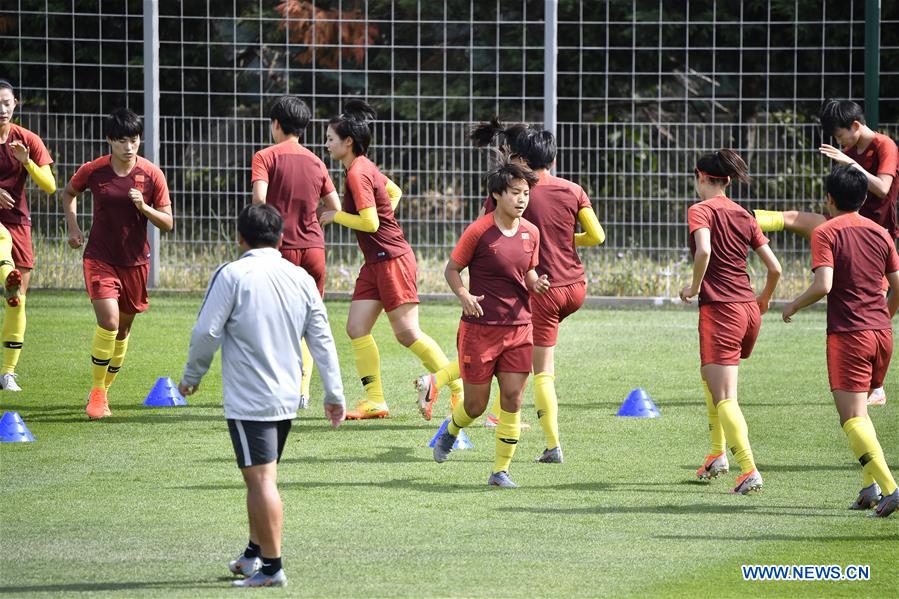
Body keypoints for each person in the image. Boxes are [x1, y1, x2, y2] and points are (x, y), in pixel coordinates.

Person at [417, 118, 605, 463]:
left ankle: (550, 446)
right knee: (504, 371)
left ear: (519, 157)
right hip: (575, 286)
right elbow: (598, 237)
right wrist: (566, 240)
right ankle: (445, 387)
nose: (521, 197)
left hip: (539, 295)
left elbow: (483, 238)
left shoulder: (511, 207)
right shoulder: (572, 189)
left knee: (537, 370)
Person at [180, 203, 346, 587]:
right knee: (262, 476)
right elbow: (321, 338)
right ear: (282, 238)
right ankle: (254, 553)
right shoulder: (300, 276)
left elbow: (207, 332)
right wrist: (333, 392)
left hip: (250, 399)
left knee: (261, 481)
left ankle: (272, 568)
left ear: (240, 239)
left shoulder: (232, 274)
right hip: (287, 396)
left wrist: (192, 376)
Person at [319, 100, 463, 420]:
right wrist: (383, 217)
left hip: (392, 259)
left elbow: (370, 223)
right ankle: (376, 401)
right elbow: (394, 192)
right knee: (356, 328)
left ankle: (457, 390)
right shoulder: (364, 167)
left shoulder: (358, 173)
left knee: (407, 334)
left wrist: (337, 216)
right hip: (376, 262)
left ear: (348, 142)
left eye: (330, 138)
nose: (325, 144)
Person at [754, 100, 897, 405]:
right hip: (849, 227)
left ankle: (877, 384)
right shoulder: (847, 155)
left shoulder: (885, 147)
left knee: (877, 311)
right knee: (800, 219)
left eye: (840, 134)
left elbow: (883, 189)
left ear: (856, 126)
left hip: (878, 238)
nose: (839, 142)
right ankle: (742, 219)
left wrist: (851, 165)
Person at [782, 164, 899, 518]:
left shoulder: (826, 232)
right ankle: (870, 487)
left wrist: (793, 304)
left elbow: (824, 285)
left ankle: (892, 489)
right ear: (864, 197)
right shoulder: (881, 233)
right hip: (882, 335)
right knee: (859, 413)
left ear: (828, 199)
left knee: (851, 420)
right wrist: (884, 317)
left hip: (849, 335)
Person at [431, 155, 549, 488]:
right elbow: (451, 269)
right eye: (514, 192)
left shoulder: (531, 233)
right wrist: (464, 296)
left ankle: (500, 471)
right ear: (497, 194)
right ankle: (451, 430)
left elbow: (527, 271)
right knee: (476, 405)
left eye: (525, 192)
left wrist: (535, 282)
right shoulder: (479, 231)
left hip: (520, 328)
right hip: (480, 330)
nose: (522, 199)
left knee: (513, 398)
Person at [679, 149, 781, 495]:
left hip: (722, 310)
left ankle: (749, 469)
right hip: (747, 309)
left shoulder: (700, 210)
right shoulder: (743, 214)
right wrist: (764, 298)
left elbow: (704, 250)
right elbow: (775, 267)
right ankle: (717, 454)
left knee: (725, 395)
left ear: (702, 178)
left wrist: (693, 288)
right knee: (709, 377)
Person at [61, 108, 173, 419]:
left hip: (135, 262)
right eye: (122, 140)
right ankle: (97, 395)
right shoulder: (94, 170)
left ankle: (103, 391)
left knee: (122, 332)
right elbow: (69, 193)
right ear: (110, 140)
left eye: (134, 140)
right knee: (108, 322)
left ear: (140, 141)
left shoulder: (152, 175)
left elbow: (167, 222)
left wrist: (145, 207)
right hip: (99, 256)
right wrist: (73, 226)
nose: (128, 146)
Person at [251, 95, 341, 409]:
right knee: (308, 321)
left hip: (280, 249)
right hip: (314, 249)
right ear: (303, 127)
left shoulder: (265, 156)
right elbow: (335, 207)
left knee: (273, 320)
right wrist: (311, 223)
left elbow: (260, 201)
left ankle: (278, 386)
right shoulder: (317, 161)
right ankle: (302, 390)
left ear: (276, 124)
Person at [0, 79, 57, 391]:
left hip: (18, 223)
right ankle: (7, 273)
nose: (1, 109)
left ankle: (7, 373)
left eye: (6, 103)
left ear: (15, 104)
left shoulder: (27, 139)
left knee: (16, 302)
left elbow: (49, 185)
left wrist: (27, 162)